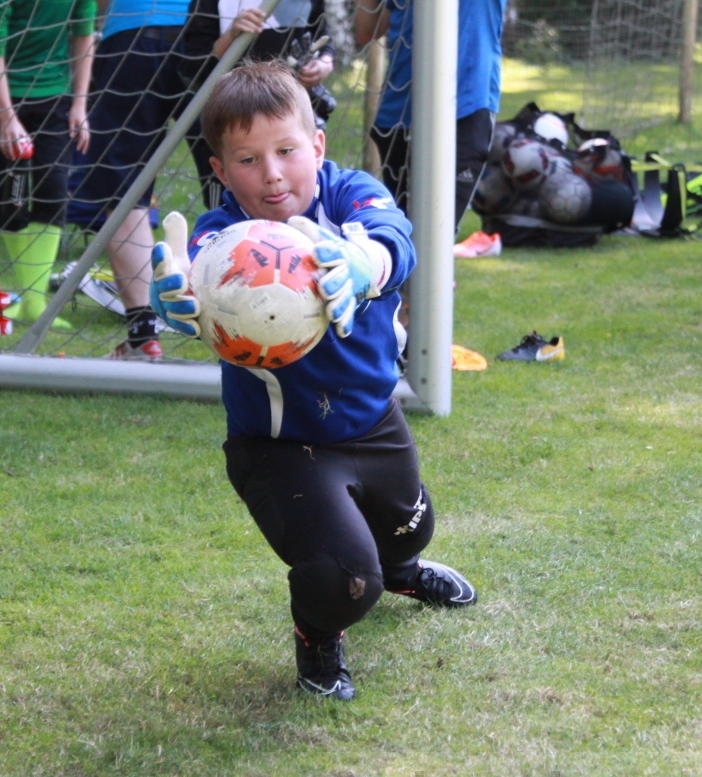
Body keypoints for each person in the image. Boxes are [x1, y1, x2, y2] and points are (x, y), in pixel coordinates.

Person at [150, 62, 477, 700]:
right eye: (246, 160)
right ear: (219, 171)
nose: (271, 174)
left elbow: (394, 238)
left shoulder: (352, 193)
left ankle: (405, 571)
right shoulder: (224, 241)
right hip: (281, 447)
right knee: (346, 580)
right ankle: (318, 635)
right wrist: (178, 299)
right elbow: (196, 277)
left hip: (375, 420)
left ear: (317, 146)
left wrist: (363, 262)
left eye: (286, 151)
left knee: (412, 529)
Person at [74, 0, 201, 360]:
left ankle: (143, 335)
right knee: (230, 170)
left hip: (134, 34)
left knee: (123, 184)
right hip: (207, 35)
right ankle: (264, 312)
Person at [353, 0, 507, 260]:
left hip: (466, 106)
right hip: (400, 114)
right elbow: (367, 31)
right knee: (398, 248)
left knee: (431, 250)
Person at [0, 0, 95, 331]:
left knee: (53, 193)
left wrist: (79, 104)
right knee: (12, 201)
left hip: (53, 98)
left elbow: (84, 36)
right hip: (1, 98)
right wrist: (7, 119)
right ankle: (27, 299)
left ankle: (35, 303)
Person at [185, 0, 337, 209]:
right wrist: (231, 36)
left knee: (308, 205)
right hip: (233, 123)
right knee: (230, 212)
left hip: (293, 119)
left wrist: (324, 63)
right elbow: (192, 67)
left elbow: (323, 36)